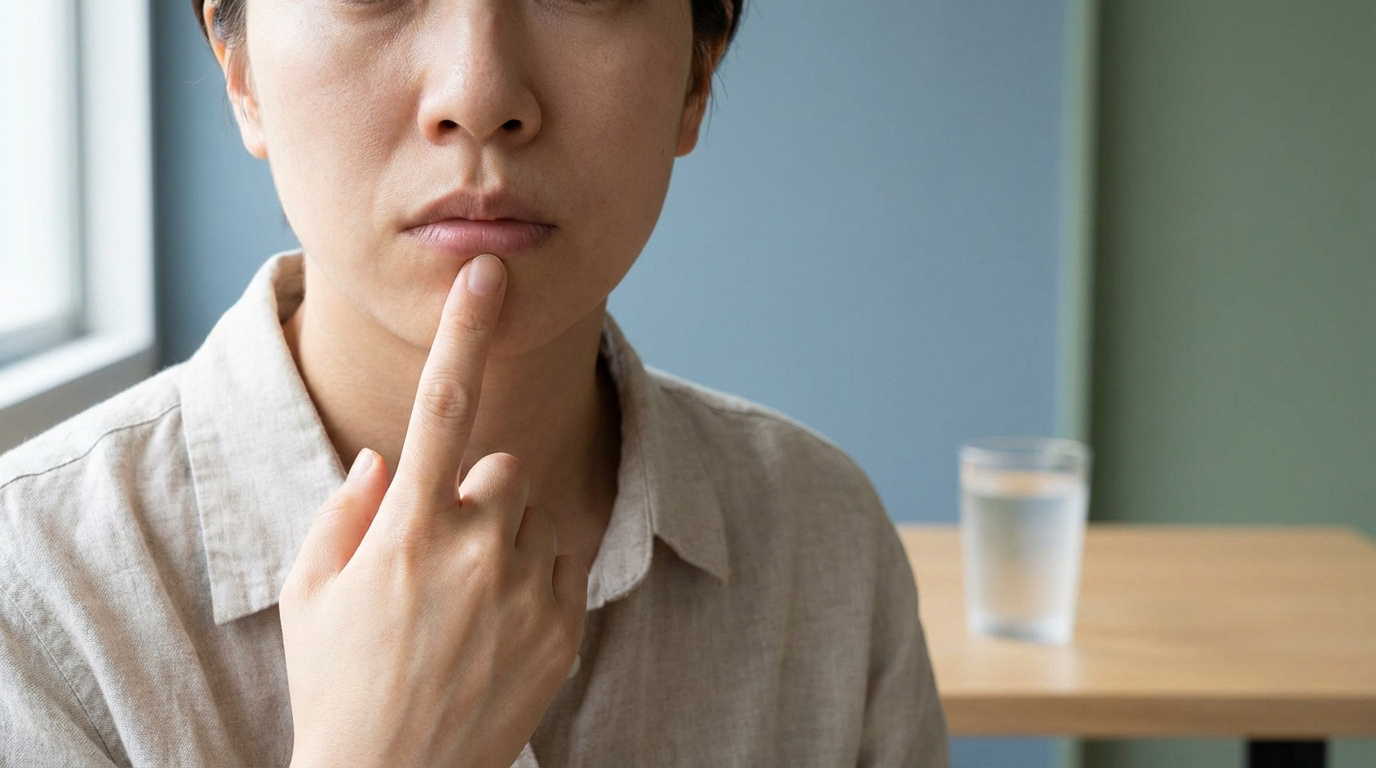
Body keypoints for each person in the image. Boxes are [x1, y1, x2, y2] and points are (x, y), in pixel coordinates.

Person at [0, 0, 949, 765]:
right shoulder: (34, 598)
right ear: (240, 69)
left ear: (698, 72)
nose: (480, 91)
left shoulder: (823, 540)